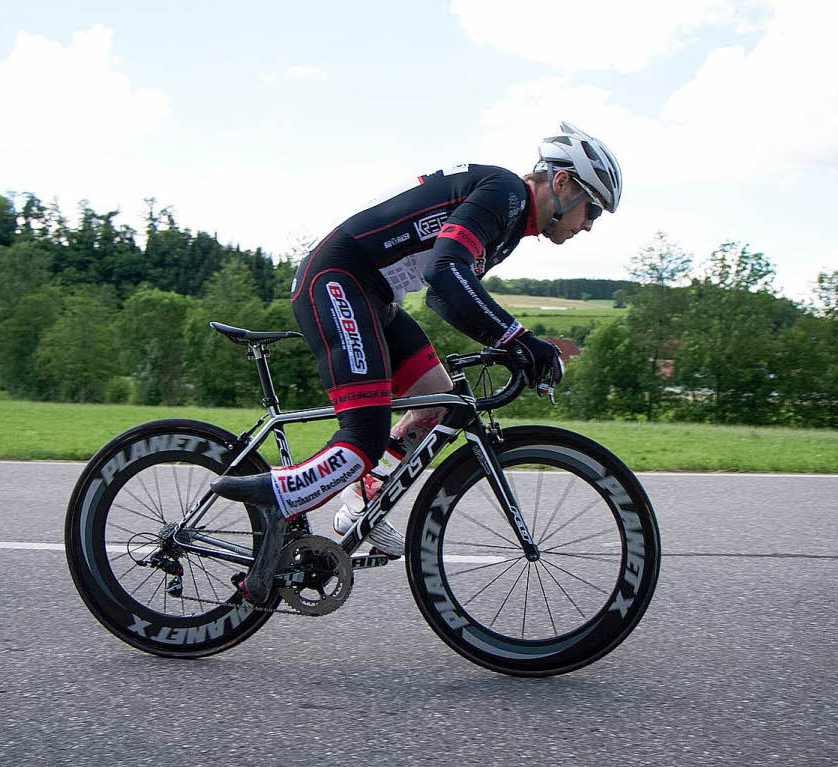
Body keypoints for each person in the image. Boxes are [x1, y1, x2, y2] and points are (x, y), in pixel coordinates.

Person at [211, 122, 623, 603]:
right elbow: (444, 273)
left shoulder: (511, 222)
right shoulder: (506, 194)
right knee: (361, 438)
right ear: (563, 183)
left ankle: (361, 499)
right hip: (339, 278)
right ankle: (280, 499)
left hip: (374, 294)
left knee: (436, 406)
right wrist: (518, 338)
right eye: (592, 208)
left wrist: (509, 342)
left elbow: (445, 297)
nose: (590, 223)